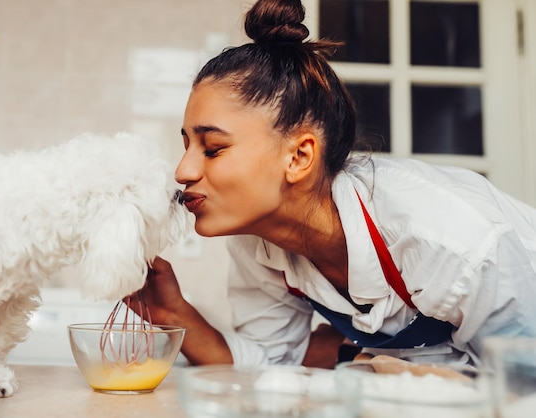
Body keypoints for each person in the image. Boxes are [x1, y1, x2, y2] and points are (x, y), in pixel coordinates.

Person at [128, 0, 536, 369]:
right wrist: (174, 314)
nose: (183, 170)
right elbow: (269, 366)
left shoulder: (449, 240)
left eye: (213, 148)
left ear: (299, 157)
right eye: (186, 145)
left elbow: (522, 382)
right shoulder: (259, 243)